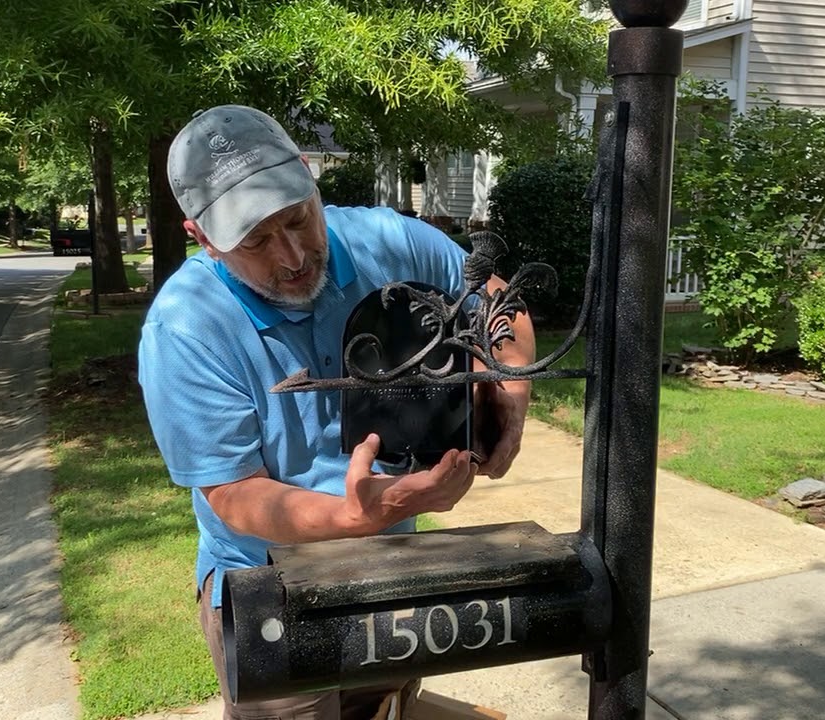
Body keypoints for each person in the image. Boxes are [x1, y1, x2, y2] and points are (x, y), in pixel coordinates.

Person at [137, 105, 534, 720]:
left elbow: (498, 299)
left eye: (298, 218)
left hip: (393, 564)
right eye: (256, 241)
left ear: (307, 175)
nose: (293, 255)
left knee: (387, 708)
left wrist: (509, 396)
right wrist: (356, 514)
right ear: (202, 237)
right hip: (268, 586)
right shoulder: (186, 328)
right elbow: (235, 495)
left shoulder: (386, 241)